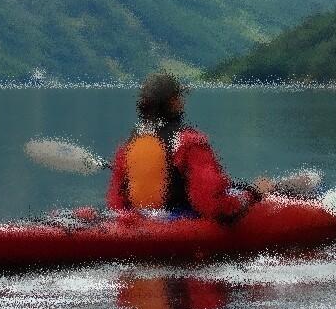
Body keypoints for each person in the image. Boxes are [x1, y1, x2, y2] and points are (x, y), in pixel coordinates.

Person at [107, 71, 273, 221]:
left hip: (140, 222)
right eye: (180, 97)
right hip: (180, 226)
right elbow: (213, 205)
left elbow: (116, 203)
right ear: (173, 102)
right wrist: (253, 194)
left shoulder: (128, 146)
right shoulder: (188, 142)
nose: (183, 101)